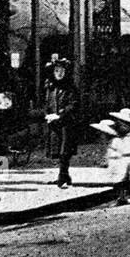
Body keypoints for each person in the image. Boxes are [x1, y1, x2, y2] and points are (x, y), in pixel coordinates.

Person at [95, 108, 130, 206]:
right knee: (120, 180)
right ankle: (122, 197)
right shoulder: (120, 137)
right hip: (123, 160)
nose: (121, 126)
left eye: (124, 124)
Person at [44, 57, 80, 188]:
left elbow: (74, 104)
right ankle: (65, 174)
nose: (59, 73)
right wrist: (47, 115)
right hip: (54, 124)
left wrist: (60, 114)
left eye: (62, 71)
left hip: (67, 123)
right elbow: (46, 104)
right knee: (58, 150)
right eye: (57, 70)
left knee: (65, 151)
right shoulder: (50, 88)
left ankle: (62, 175)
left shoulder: (70, 87)